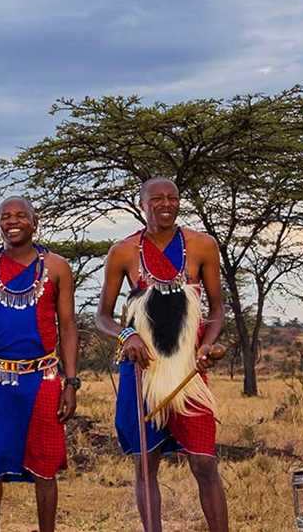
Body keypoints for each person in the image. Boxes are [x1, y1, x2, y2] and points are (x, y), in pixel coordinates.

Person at [95, 178, 230, 532]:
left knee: (204, 462)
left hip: (187, 371)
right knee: (145, 463)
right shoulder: (123, 252)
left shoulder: (203, 246)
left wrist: (206, 345)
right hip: (142, 371)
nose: (166, 204)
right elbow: (103, 316)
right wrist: (128, 335)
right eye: (157, 199)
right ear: (142, 204)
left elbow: (217, 309)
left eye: (172, 198)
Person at [0, 197, 79, 532]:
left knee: (45, 467)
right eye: (5, 216)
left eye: (21, 215)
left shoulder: (57, 267)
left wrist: (71, 382)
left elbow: (67, 326)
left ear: (35, 223)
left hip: (42, 378)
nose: (13, 221)